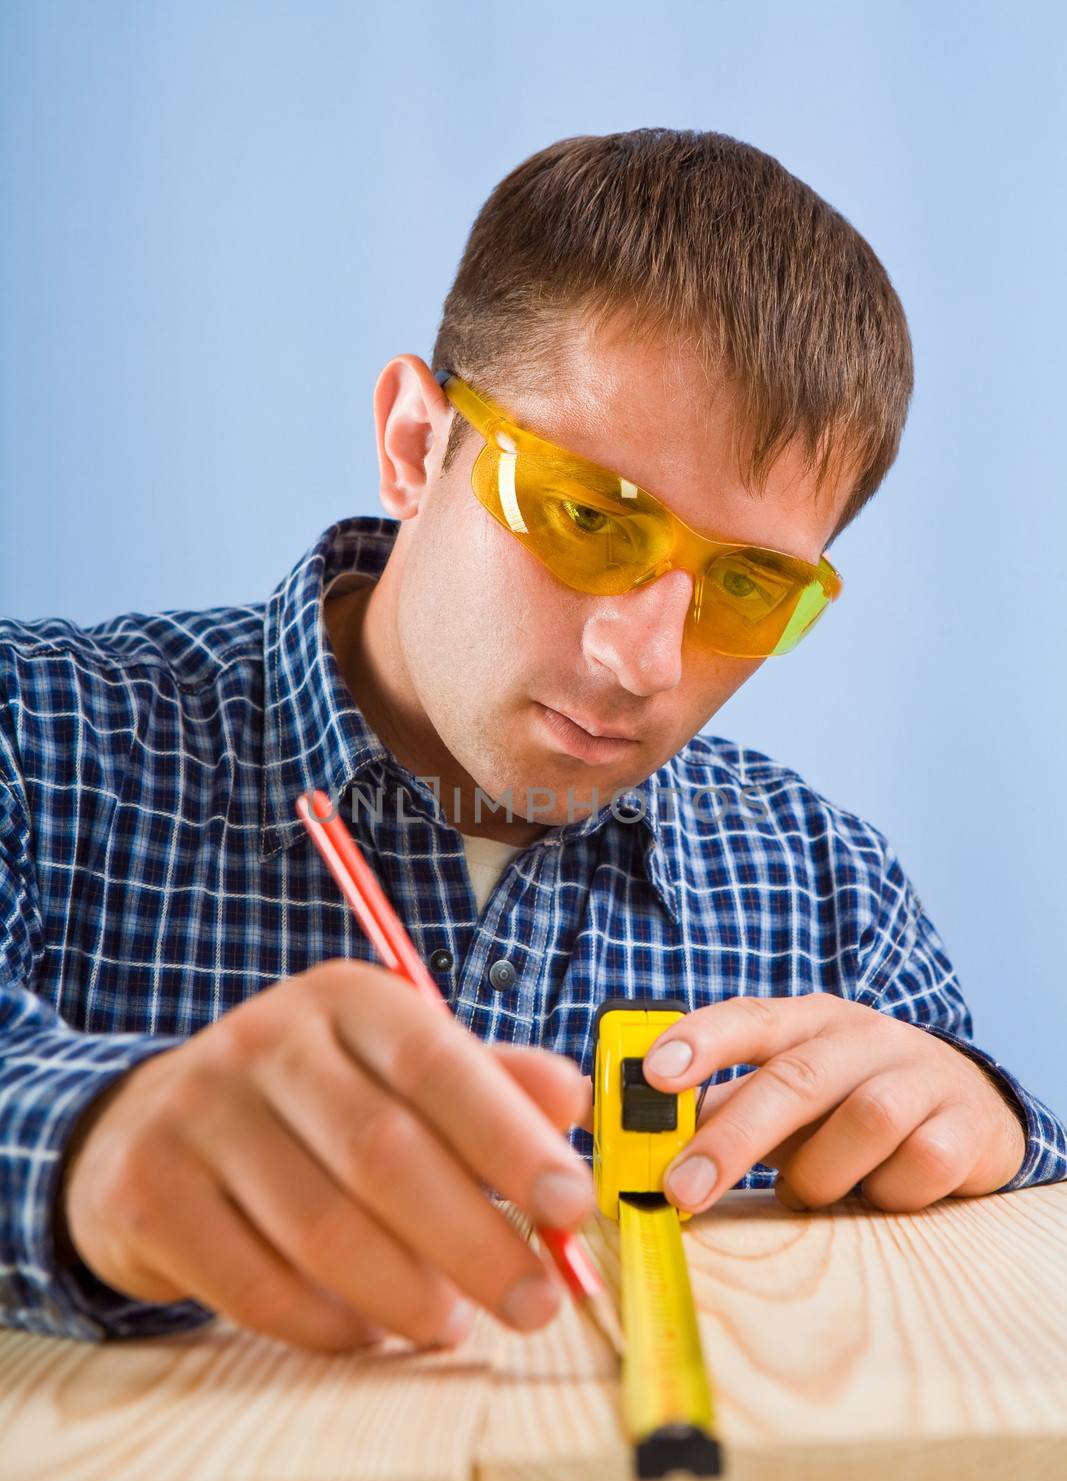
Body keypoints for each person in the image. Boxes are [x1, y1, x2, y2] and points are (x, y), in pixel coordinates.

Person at [2, 129, 1064, 1355]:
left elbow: (979, 1259)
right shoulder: (37, 742)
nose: (644, 661)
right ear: (413, 442)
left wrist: (994, 1125)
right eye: (583, 517)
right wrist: (98, 1149)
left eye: (746, 590)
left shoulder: (832, 895)